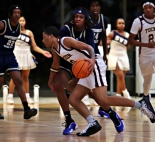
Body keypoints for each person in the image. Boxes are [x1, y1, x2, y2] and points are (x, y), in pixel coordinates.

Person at [42, 26, 155, 136]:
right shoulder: (54, 49)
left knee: (103, 99)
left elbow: (89, 47)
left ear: (51, 36)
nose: (42, 41)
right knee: (73, 98)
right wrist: (50, 81)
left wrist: (92, 60)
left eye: (44, 37)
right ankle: (92, 123)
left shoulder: (65, 41)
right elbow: (55, 65)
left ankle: (141, 104)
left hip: (94, 65)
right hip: (86, 70)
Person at [0, 5, 37, 119]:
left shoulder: (19, 26)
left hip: (10, 56)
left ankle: (26, 109)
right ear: (10, 14)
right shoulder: (2, 24)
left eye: (19, 13)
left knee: (18, 80)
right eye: (14, 13)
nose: (17, 15)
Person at [49, 7, 95, 135]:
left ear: (85, 19)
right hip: (66, 62)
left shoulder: (88, 32)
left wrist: (92, 58)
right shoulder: (66, 29)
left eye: (81, 17)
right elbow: (60, 49)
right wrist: (52, 76)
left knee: (96, 94)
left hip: (81, 63)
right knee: (59, 85)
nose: (78, 19)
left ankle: (111, 114)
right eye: (76, 17)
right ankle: (69, 120)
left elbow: (91, 47)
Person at [7, 16, 52, 104]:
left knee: (25, 77)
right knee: (14, 77)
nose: (22, 22)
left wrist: (43, 52)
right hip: (16, 54)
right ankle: (10, 97)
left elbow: (34, 47)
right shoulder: (12, 31)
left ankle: (27, 96)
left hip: (26, 54)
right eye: (20, 20)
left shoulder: (29, 32)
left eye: (23, 20)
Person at [128, 0, 155, 113]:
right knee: (147, 80)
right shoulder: (138, 21)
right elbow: (130, 40)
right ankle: (145, 97)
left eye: (150, 7)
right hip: (144, 54)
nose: (148, 9)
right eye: (146, 8)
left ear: (154, 9)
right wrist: (146, 44)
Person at [88, 0, 110, 118]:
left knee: (101, 79)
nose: (95, 7)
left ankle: (103, 107)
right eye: (92, 5)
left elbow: (104, 36)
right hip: (84, 52)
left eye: (97, 5)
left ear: (101, 7)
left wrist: (106, 53)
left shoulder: (103, 19)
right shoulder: (85, 19)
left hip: (96, 52)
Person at [107, 18, 131, 112]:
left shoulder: (127, 35)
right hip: (113, 55)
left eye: (123, 23)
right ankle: (126, 95)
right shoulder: (112, 33)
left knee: (121, 78)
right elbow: (105, 43)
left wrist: (124, 53)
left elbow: (128, 46)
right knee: (120, 75)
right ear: (116, 25)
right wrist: (106, 54)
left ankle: (118, 96)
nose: (121, 25)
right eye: (119, 23)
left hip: (123, 55)